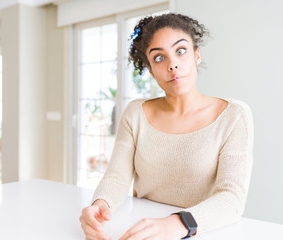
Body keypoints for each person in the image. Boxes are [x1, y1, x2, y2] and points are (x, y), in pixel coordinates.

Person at [79, 13, 253, 240]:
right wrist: (99, 205)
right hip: (142, 230)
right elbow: (117, 176)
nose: (172, 64)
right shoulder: (135, 113)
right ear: (150, 70)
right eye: (159, 58)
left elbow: (231, 198)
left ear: (196, 55)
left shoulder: (234, 116)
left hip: (202, 232)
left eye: (180, 51)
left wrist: (179, 223)